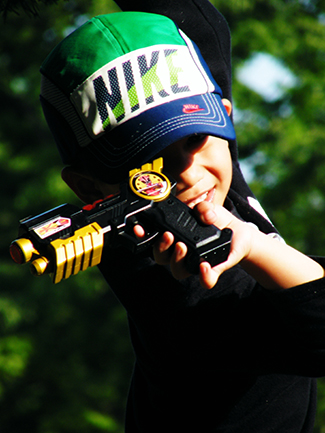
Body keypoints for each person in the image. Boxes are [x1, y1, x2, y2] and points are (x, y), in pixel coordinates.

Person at [39, 2, 325, 432]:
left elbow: (198, 23)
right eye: (148, 165)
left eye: (192, 135)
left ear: (224, 115)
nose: (188, 174)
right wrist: (253, 245)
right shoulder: (181, 278)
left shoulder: (210, 164)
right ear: (90, 189)